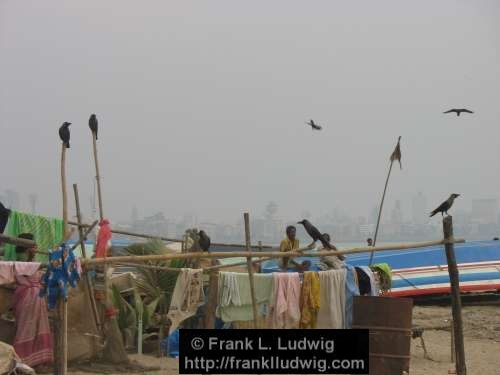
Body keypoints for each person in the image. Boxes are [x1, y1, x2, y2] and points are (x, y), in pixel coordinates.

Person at [11, 233, 53, 372]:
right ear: (27, 247)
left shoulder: (31, 260)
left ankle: (34, 362)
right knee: (25, 329)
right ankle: (20, 362)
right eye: (34, 245)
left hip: (34, 297)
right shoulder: (22, 260)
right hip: (27, 298)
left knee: (36, 329)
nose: (36, 247)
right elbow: (31, 273)